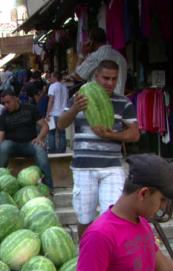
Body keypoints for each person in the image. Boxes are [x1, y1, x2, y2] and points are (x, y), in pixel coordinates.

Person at [58, 60, 139, 239]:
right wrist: (75, 109)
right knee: (84, 218)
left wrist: (111, 135)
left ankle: (110, 259)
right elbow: (61, 124)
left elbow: (134, 134)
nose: (110, 83)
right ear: (96, 77)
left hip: (112, 167)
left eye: (114, 79)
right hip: (83, 167)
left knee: (111, 217)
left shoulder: (123, 102)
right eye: (105, 78)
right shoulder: (79, 98)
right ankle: (86, 255)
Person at [0, 89, 53, 191]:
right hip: (13, 146)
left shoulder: (30, 109)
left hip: (30, 144)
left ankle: (48, 187)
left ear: (16, 99)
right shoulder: (3, 116)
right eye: (3, 103)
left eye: (8, 102)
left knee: (40, 149)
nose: (6, 105)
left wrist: (40, 138)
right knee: (4, 146)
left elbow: (45, 126)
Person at [65, 27, 128, 95]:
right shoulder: (121, 58)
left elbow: (77, 75)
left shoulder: (95, 57)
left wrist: (82, 55)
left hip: (101, 102)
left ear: (91, 42)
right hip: (119, 101)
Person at [46, 72, 68, 153]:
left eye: (51, 77)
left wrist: (47, 113)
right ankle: (62, 151)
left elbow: (51, 100)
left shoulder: (53, 86)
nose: (50, 79)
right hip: (63, 114)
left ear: (55, 77)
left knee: (51, 133)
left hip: (53, 113)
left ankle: (52, 151)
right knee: (62, 133)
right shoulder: (64, 87)